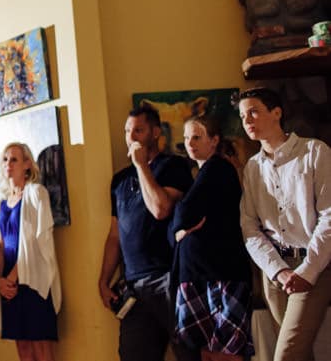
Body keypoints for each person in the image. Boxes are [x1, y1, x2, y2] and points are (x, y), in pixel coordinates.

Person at [236, 87, 331, 361]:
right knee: (299, 355)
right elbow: (250, 227)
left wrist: (306, 271)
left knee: (286, 355)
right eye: (243, 116)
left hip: (314, 269)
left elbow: (329, 215)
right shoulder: (253, 167)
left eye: (253, 112)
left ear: (276, 112)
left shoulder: (314, 152)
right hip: (275, 275)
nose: (248, 121)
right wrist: (278, 271)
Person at [97, 106, 194, 361]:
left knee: (189, 352)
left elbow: (161, 209)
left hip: (169, 278)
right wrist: (103, 280)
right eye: (127, 131)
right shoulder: (119, 180)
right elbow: (115, 235)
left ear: (155, 132)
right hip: (133, 286)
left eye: (138, 130)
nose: (131, 137)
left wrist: (141, 166)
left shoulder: (174, 166)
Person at [171, 116, 253, 361]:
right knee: (205, 351)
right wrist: (179, 229)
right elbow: (178, 224)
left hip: (220, 275)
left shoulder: (218, 168)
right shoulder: (201, 173)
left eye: (197, 137)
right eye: (186, 138)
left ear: (214, 140)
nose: (190, 143)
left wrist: (181, 227)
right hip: (202, 275)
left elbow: (184, 214)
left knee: (226, 352)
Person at [0, 142, 60, 361]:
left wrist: (11, 278)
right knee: (22, 346)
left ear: (27, 164)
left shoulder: (36, 193)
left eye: (14, 159)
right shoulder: (2, 202)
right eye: (5, 159)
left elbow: (33, 242)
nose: (8, 164)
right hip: (8, 283)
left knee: (40, 345)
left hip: (32, 279)